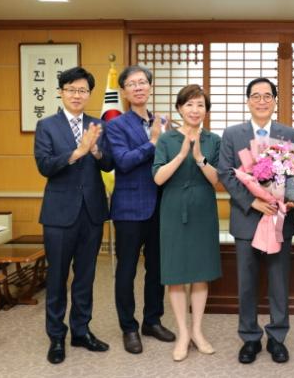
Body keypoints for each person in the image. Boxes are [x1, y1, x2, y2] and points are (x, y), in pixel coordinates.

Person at [217, 78, 294, 365]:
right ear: (248, 101)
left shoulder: (288, 133)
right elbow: (226, 173)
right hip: (247, 218)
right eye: (256, 96)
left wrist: (292, 198)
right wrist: (253, 201)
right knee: (247, 283)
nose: (262, 101)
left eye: (267, 96)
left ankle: (277, 337)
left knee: (279, 282)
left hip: (278, 219)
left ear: (275, 100)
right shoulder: (232, 134)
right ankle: (250, 337)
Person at [34, 66, 113, 364]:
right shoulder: (47, 126)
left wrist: (95, 152)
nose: (77, 95)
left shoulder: (98, 125)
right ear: (61, 92)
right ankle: (56, 336)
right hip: (59, 214)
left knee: (86, 276)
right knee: (56, 277)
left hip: (91, 212)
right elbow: (44, 165)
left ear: (89, 94)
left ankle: (81, 330)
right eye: (71, 89)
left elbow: (109, 164)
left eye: (82, 90)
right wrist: (77, 152)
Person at [105, 65, 176, 355]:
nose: (138, 87)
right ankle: (129, 327)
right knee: (126, 270)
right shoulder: (116, 125)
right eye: (132, 83)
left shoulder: (162, 121)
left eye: (143, 82)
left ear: (150, 87)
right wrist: (153, 142)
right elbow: (122, 162)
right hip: (129, 209)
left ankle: (152, 321)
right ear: (123, 91)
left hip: (161, 206)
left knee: (157, 269)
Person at [152, 85, 222, 362]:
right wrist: (182, 155)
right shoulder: (166, 139)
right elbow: (158, 178)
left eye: (200, 105)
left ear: (206, 110)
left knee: (201, 272)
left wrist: (199, 158)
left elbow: (217, 180)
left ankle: (197, 331)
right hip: (172, 210)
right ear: (180, 108)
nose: (195, 110)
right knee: (176, 274)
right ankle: (182, 333)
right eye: (190, 104)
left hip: (203, 210)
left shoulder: (213, 139)